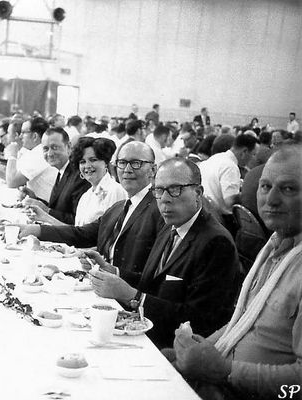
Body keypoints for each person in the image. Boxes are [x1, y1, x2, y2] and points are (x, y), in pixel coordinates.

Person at [171, 145, 302, 400]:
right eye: (265, 186)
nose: (271, 199)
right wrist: (197, 351)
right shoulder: (278, 246)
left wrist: (225, 371)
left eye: (288, 189)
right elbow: (244, 322)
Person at [89, 158, 239, 349]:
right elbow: (157, 281)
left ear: (198, 193)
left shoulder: (216, 243)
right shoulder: (172, 226)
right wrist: (114, 272)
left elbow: (200, 320)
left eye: (175, 189)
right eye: (158, 190)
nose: (165, 199)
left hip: (174, 348)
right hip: (147, 332)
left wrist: (133, 297)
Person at [19, 141, 163, 283]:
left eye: (136, 163)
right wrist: (37, 230)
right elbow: (83, 234)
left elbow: (154, 273)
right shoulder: (118, 207)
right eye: (122, 163)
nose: (127, 169)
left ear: (153, 170)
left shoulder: (160, 209)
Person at [28, 137, 126, 226]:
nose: (87, 166)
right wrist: (44, 217)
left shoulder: (115, 191)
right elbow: (77, 234)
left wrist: (46, 218)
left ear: (105, 162)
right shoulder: (86, 196)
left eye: (93, 160)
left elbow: (109, 239)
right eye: (82, 162)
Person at [21, 127, 90, 225]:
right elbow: (58, 208)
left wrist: (46, 210)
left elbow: (77, 221)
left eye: (54, 147)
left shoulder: (79, 176)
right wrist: (35, 199)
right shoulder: (62, 170)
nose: (49, 154)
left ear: (69, 147)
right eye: (45, 149)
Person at [199, 134, 258, 232]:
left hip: (205, 215)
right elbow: (230, 201)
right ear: (244, 152)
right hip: (223, 223)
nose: (253, 158)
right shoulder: (230, 167)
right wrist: (248, 193)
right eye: (253, 154)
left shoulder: (214, 158)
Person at [4, 117, 57, 203]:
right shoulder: (34, 151)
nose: (20, 136)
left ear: (35, 136)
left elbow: (11, 182)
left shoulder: (40, 153)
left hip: (48, 208)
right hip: (39, 202)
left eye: (23, 133)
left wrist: (12, 155)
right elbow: (15, 174)